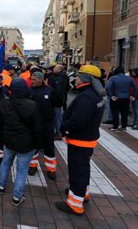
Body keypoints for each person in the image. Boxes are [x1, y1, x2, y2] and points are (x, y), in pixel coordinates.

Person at [55, 65, 105, 216]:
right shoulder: (95, 95)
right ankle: (83, 193)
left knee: (77, 171)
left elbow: (78, 122)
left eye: (78, 76)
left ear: (85, 78)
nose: (75, 78)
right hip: (87, 139)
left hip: (80, 140)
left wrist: (64, 128)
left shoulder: (86, 98)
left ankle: (75, 204)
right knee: (83, 169)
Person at [0, 78, 42, 206]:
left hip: (9, 141)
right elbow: (37, 129)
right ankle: (17, 197)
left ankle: (1, 186)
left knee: (5, 163)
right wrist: (38, 145)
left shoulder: (3, 103)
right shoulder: (32, 105)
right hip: (26, 144)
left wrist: (0, 140)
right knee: (22, 170)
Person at [28, 72, 57, 180]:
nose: (32, 81)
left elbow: (56, 103)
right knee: (33, 145)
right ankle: (32, 166)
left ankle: (51, 169)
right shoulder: (29, 90)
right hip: (33, 123)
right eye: (32, 79)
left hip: (47, 123)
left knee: (49, 147)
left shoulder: (49, 90)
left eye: (35, 80)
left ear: (41, 80)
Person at [105, 66, 138, 132]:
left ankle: (115, 126)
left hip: (116, 97)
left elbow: (107, 87)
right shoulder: (129, 78)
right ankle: (123, 126)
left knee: (115, 113)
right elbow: (136, 87)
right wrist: (133, 95)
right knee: (124, 113)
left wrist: (111, 95)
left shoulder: (113, 78)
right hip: (126, 98)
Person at [48, 64, 69, 139]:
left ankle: (59, 133)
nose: (53, 69)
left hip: (57, 101)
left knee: (56, 117)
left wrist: (53, 100)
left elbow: (57, 92)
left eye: (55, 68)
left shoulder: (58, 79)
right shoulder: (62, 77)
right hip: (60, 100)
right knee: (58, 116)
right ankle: (60, 131)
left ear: (59, 69)